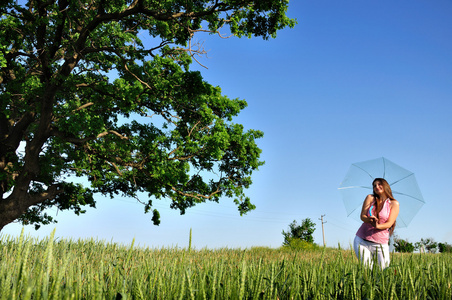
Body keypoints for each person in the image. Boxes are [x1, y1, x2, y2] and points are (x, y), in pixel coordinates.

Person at [353, 178, 399, 269]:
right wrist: (369, 219)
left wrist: (377, 226)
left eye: (379, 184)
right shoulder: (370, 198)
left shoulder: (394, 204)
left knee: (383, 271)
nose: (376, 187)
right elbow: (362, 216)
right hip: (362, 241)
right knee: (367, 269)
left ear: (385, 186)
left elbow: (389, 224)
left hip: (381, 243)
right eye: (374, 186)